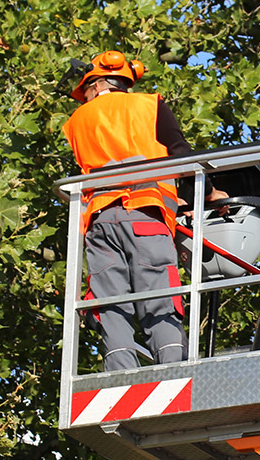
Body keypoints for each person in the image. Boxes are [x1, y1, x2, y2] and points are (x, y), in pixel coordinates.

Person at [61, 50, 227, 371]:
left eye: (86, 90)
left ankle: (119, 372)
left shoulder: (77, 121)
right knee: (158, 294)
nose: (85, 97)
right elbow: (181, 157)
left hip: (99, 222)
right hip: (144, 215)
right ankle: (173, 370)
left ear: (96, 84)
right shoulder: (148, 105)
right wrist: (208, 194)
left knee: (110, 301)